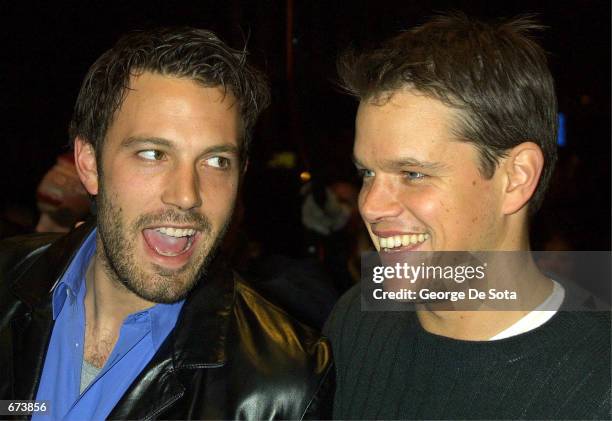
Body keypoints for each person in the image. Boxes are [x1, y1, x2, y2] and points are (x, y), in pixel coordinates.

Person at [0, 27, 333, 420]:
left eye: (215, 161)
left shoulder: (285, 388)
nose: (187, 194)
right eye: (154, 153)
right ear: (89, 164)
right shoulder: (6, 281)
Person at [324, 13, 610, 420]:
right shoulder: (356, 320)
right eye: (367, 172)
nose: (370, 205)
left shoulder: (599, 385)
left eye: (412, 174)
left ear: (516, 177)